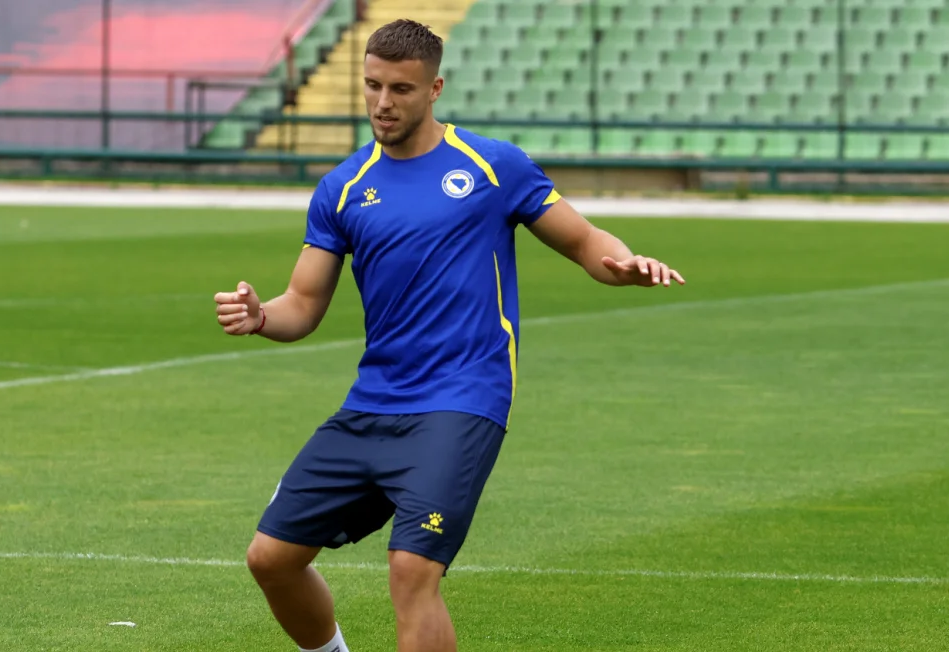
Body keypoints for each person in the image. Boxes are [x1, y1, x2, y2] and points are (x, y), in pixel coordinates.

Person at [214, 18, 685, 652]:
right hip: (372, 405)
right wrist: (261, 316)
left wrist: (623, 265)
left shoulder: (493, 166)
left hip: (462, 401)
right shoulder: (343, 188)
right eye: (372, 86)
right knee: (270, 559)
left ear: (435, 88)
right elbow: (303, 302)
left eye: (401, 89)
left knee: (412, 570)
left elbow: (584, 240)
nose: (383, 103)